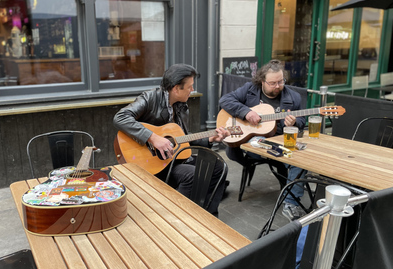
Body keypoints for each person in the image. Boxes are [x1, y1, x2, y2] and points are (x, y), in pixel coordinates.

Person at [113, 63, 230, 215]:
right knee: (192, 175)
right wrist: (153, 138)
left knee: (219, 166)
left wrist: (210, 139)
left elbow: (182, 139)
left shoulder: (181, 107)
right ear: (176, 88)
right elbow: (120, 117)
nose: (192, 90)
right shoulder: (150, 98)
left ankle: (207, 213)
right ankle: (176, 217)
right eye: (190, 87)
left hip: (172, 159)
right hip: (152, 163)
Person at [219, 59, 306, 221]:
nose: (278, 86)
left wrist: (294, 122)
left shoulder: (293, 97)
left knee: (300, 160)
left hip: (279, 143)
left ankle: (291, 203)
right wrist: (246, 112)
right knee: (257, 140)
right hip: (252, 145)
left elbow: (302, 121)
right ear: (262, 81)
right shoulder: (250, 89)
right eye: (272, 83)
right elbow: (225, 100)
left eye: (281, 81)